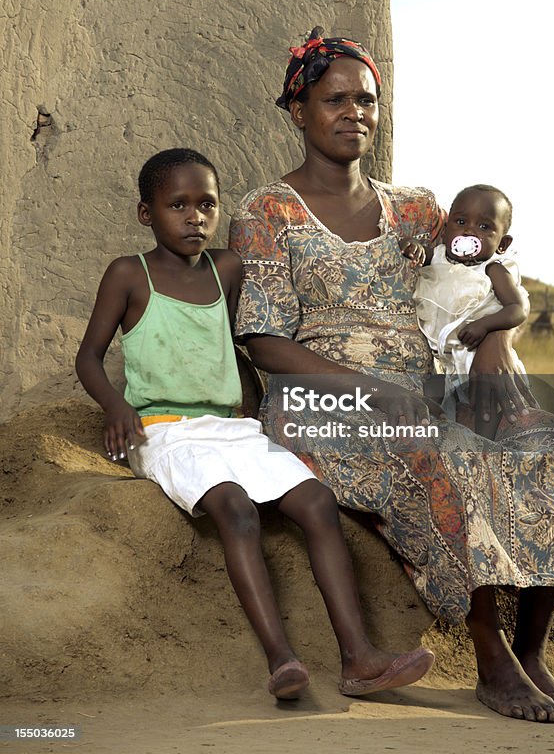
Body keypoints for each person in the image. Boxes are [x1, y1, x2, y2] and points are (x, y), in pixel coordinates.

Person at [229, 29, 554, 722]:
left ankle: (534, 650)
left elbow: (474, 277)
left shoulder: (419, 208)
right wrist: (377, 390)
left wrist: (494, 338)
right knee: (432, 448)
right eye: (334, 99)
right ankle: (491, 661)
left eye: (366, 100)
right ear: (298, 110)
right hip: (322, 399)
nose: (355, 113)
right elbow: (263, 339)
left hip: (430, 391)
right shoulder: (266, 212)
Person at [75, 147, 435, 701]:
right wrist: (117, 408)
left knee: (316, 501)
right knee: (236, 509)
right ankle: (282, 658)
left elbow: (245, 341)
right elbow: (89, 357)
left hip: (232, 428)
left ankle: (359, 658)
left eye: (207, 205)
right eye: (178, 205)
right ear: (147, 214)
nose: (194, 217)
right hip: (163, 428)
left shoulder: (227, 270)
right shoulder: (129, 274)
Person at [402, 184, 529, 438]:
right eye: (460, 221)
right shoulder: (438, 256)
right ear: (447, 228)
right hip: (445, 359)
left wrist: (486, 325)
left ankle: (486, 447)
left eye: (484, 227)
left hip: (477, 353)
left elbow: (517, 309)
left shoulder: (493, 269)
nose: (469, 231)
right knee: (439, 405)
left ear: (502, 243)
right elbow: (419, 252)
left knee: (484, 401)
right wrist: (412, 247)